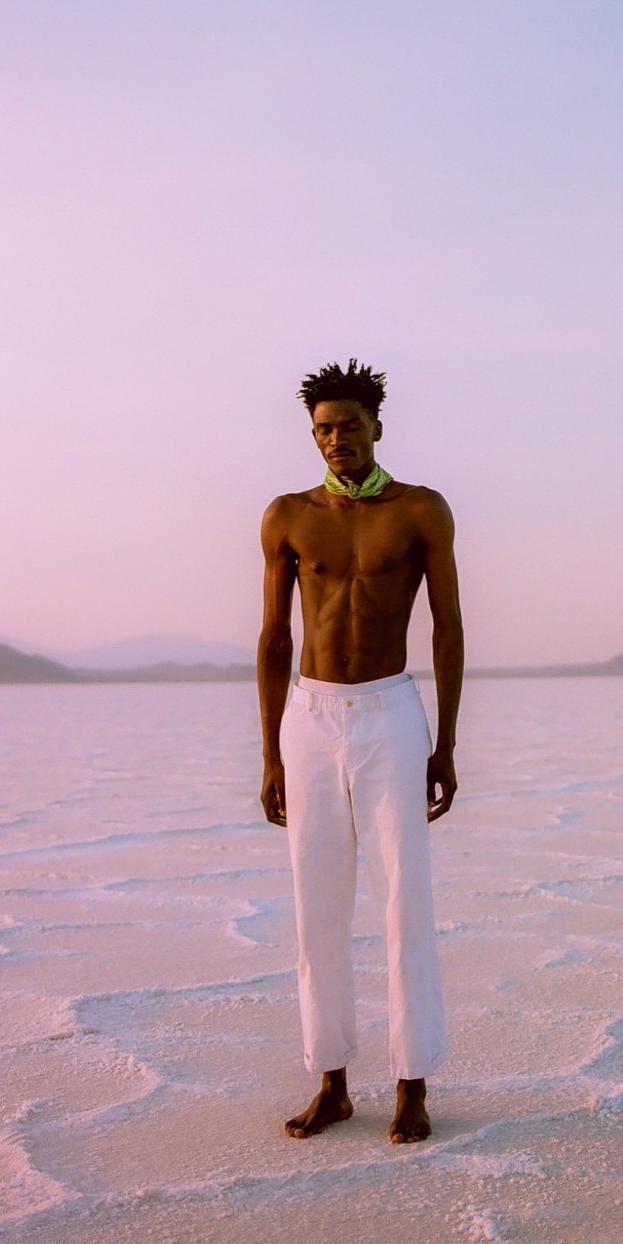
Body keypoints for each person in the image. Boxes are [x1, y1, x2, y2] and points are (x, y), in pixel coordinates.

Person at [258, 359, 463, 1144]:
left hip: (389, 711)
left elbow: (447, 627)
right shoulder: (287, 515)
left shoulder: (420, 511)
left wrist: (445, 743)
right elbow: (274, 637)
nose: (333, 440)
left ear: (377, 426)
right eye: (321, 430)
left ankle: (412, 1083)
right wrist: (272, 754)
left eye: (346, 426)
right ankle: (333, 1081)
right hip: (309, 716)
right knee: (318, 907)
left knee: (404, 899)